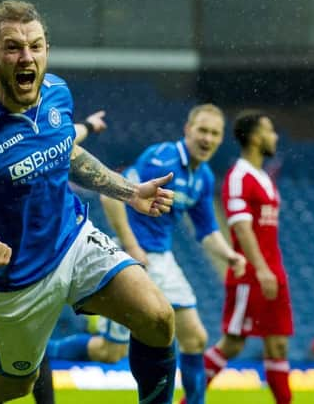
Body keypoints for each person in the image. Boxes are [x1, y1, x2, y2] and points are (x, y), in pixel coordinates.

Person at [0, 0, 178, 404]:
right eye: (13, 47)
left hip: (73, 241)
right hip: (15, 281)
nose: (27, 56)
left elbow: (67, 153)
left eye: (36, 45)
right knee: (12, 385)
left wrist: (129, 192)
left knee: (157, 319)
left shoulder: (57, 93)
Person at [0, 110, 108, 404]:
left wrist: (90, 125)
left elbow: (69, 135)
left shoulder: (42, 139)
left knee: (29, 349)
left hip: (41, 260)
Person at [100, 104, 247, 404]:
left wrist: (229, 255)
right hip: (130, 259)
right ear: (188, 130)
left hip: (162, 260)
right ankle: (48, 356)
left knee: (195, 338)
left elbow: (206, 230)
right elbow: (110, 196)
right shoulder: (161, 159)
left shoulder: (203, 176)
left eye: (215, 133)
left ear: (220, 140)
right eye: (202, 130)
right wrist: (132, 246)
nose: (207, 138)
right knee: (109, 351)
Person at [202, 110, 293, 404]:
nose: (274, 136)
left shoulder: (263, 177)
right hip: (251, 274)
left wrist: (272, 271)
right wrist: (262, 269)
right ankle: (187, 400)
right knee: (233, 343)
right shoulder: (239, 175)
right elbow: (241, 228)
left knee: (278, 345)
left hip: (272, 271)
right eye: (270, 130)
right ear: (254, 137)